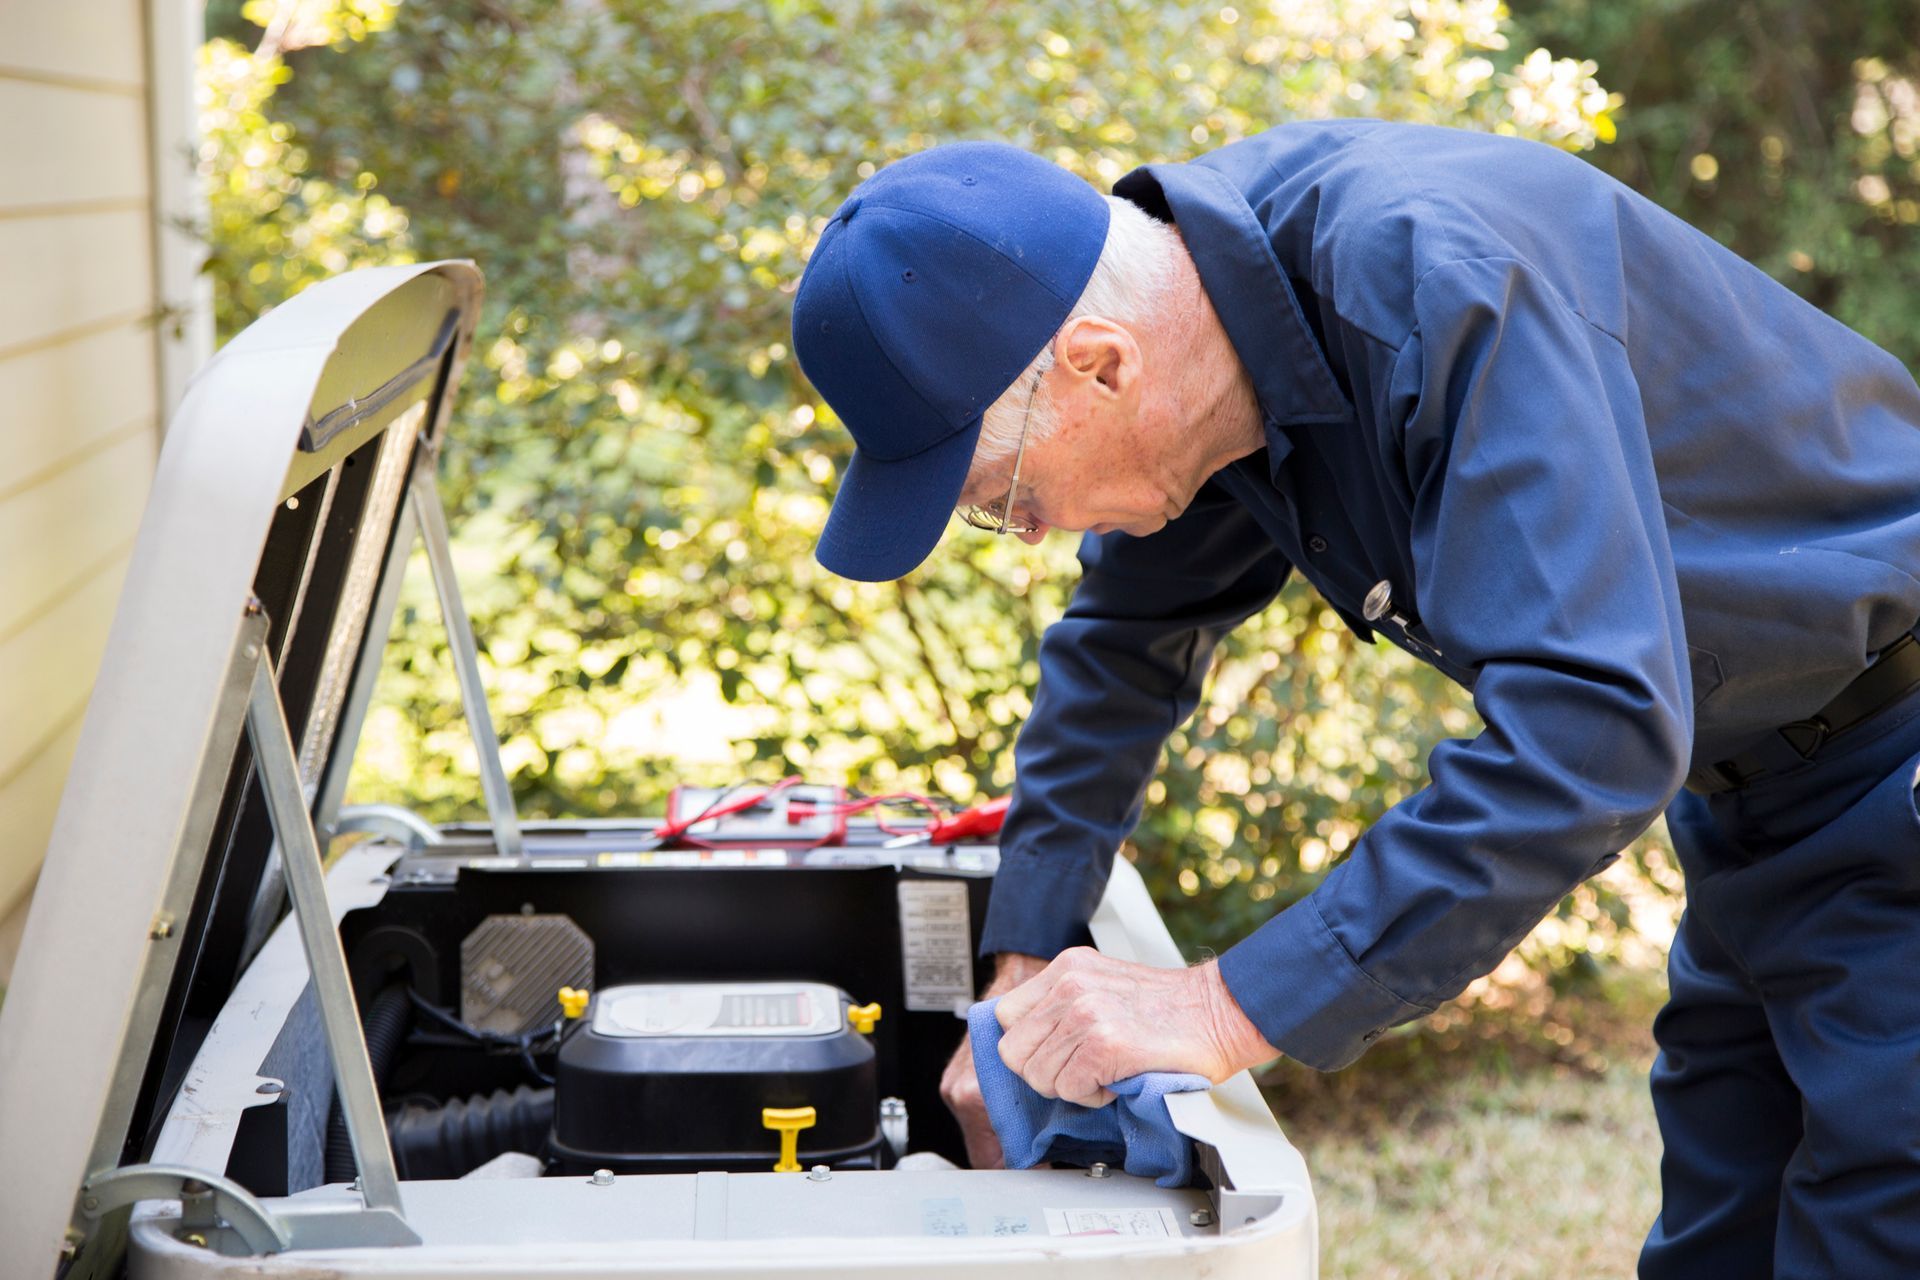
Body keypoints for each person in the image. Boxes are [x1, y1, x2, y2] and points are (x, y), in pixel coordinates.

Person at [788, 122, 1920, 1277]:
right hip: (1751, 798)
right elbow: (1125, 643)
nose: (1024, 530)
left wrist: (1223, 1005)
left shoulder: (1434, 288)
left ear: (1103, 361)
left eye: (1001, 492)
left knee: (1873, 1234)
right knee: (1718, 1241)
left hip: (1893, 766)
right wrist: (1023, 965)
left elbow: (1592, 725)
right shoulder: (1215, 336)